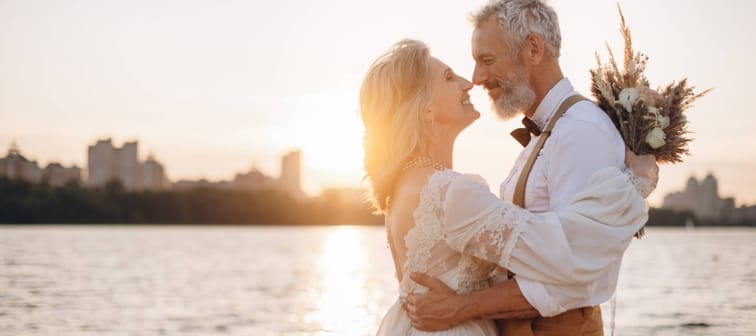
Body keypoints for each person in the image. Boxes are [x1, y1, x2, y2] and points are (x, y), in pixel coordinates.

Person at [360, 39, 657, 336]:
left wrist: (463, 304)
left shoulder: (404, 187)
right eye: (449, 78)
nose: (468, 83)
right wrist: (635, 183)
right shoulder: (448, 193)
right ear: (425, 109)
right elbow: (561, 248)